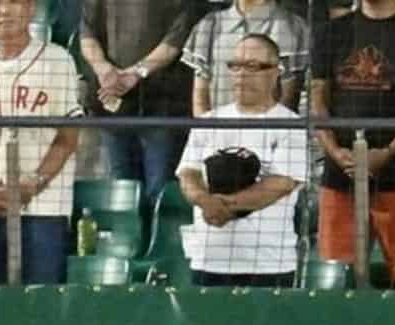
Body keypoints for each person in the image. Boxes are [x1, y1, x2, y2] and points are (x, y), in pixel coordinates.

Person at [308, 0, 395, 290]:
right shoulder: (331, 32)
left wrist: (389, 152)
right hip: (341, 178)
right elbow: (317, 100)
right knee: (336, 279)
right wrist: (336, 152)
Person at [0, 0, 82, 289]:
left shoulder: (58, 60)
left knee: (41, 303)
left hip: (43, 206)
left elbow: (68, 136)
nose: (3, 11)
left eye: (12, 2)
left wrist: (30, 185)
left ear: (31, 8)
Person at [175, 34, 308, 288]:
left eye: (253, 66)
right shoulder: (207, 121)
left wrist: (223, 206)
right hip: (208, 260)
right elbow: (188, 174)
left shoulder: (291, 126)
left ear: (275, 72)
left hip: (268, 264)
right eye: (235, 65)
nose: (241, 74)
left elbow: (279, 184)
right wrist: (205, 201)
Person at [80, 0, 196, 207]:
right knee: (121, 187)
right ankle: (131, 238)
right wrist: (104, 69)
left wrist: (137, 72)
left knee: (159, 189)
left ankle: (154, 238)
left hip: (164, 106)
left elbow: (176, 41)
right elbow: (87, 35)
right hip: (113, 105)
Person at [185, 0, 306, 114]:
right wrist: (206, 132)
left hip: (269, 131)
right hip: (217, 130)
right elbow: (200, 96)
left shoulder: (292, 26)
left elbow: (288, 99)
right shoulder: (210, 24)